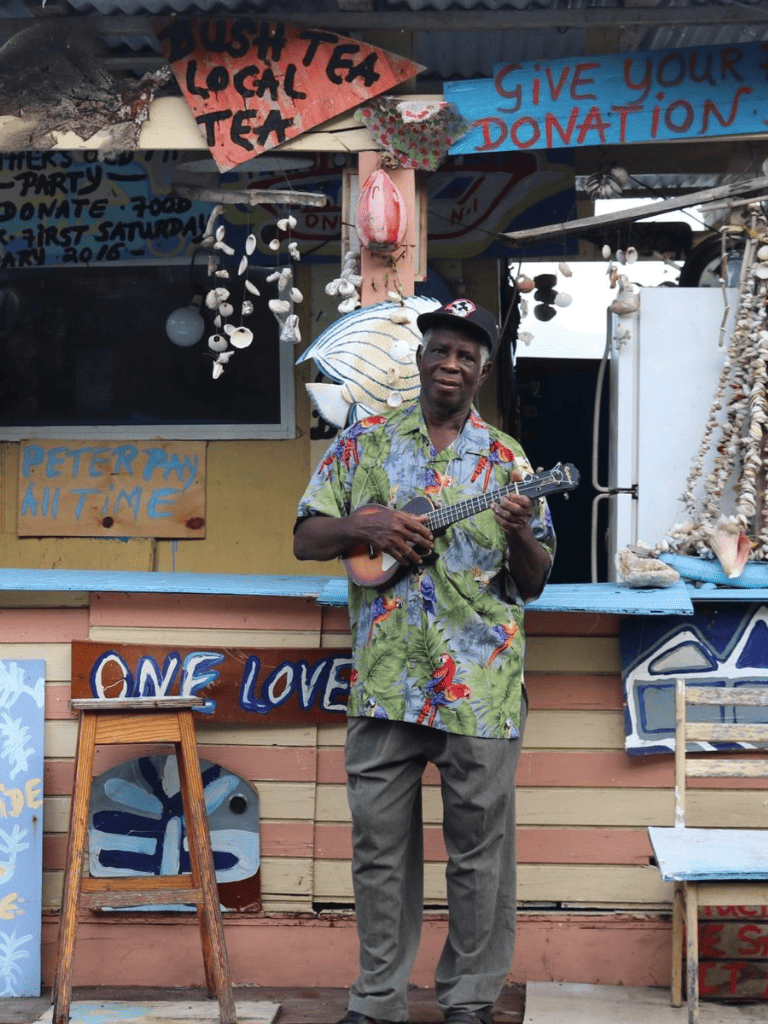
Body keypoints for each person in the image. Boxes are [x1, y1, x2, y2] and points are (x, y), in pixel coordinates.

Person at [293, 298, 556, 1024]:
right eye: (440, 350)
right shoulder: (363, 444)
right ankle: (377, 1001)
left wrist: (522, 531)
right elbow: (306, 538)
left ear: (483, 371)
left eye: (466, 356)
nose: (450, 364)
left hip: (480, 684)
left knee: (479, 859)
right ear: (420, 358)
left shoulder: (509, 462)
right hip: (383, 683)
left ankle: (470, 1000)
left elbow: (533, 580)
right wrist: (362, 522)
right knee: (379, 852)